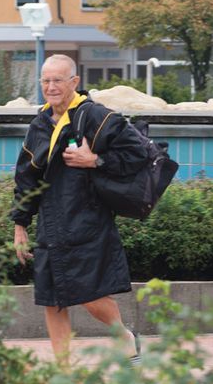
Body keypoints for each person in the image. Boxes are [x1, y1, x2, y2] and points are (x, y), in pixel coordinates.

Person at [11, 54, 146, 366]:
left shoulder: (95, 116)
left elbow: (136, 154)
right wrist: (20, 226)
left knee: (90, 295)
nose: (51, 86)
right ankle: (64, 370)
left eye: (58, 80)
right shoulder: (40, 123)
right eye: (46, 80)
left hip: (88, 219)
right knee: (52, 300)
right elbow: (26, 179)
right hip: (50, 222)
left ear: (74, 82)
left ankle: (123, 334)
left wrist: (95, 161)